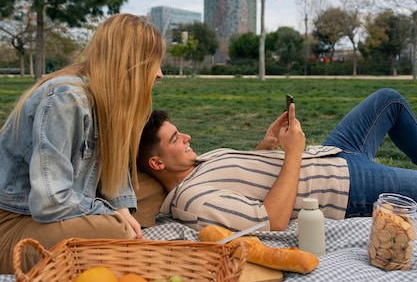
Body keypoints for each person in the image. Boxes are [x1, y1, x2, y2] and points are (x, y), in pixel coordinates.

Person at [0, 13, 165, 273]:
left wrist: (121, 208)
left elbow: (117, 179)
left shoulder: (108, 105)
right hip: (16, 224)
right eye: (155, 64)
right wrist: (111, 214)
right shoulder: (68, 99)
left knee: (151, 191)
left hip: (52, 213)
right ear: (131, 64)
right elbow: (49, 202)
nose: (160, 74)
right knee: (116, 231)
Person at [137, 88, 417, 233]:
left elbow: (248, 181)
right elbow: (270, 221)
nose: (186, 136)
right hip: (346, 186)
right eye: (175, 138)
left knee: (388, 101)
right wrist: (293, 152)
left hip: (330, 152)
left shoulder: (198, 163)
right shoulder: (191, 201)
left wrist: (267, 145)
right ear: (157, 164)